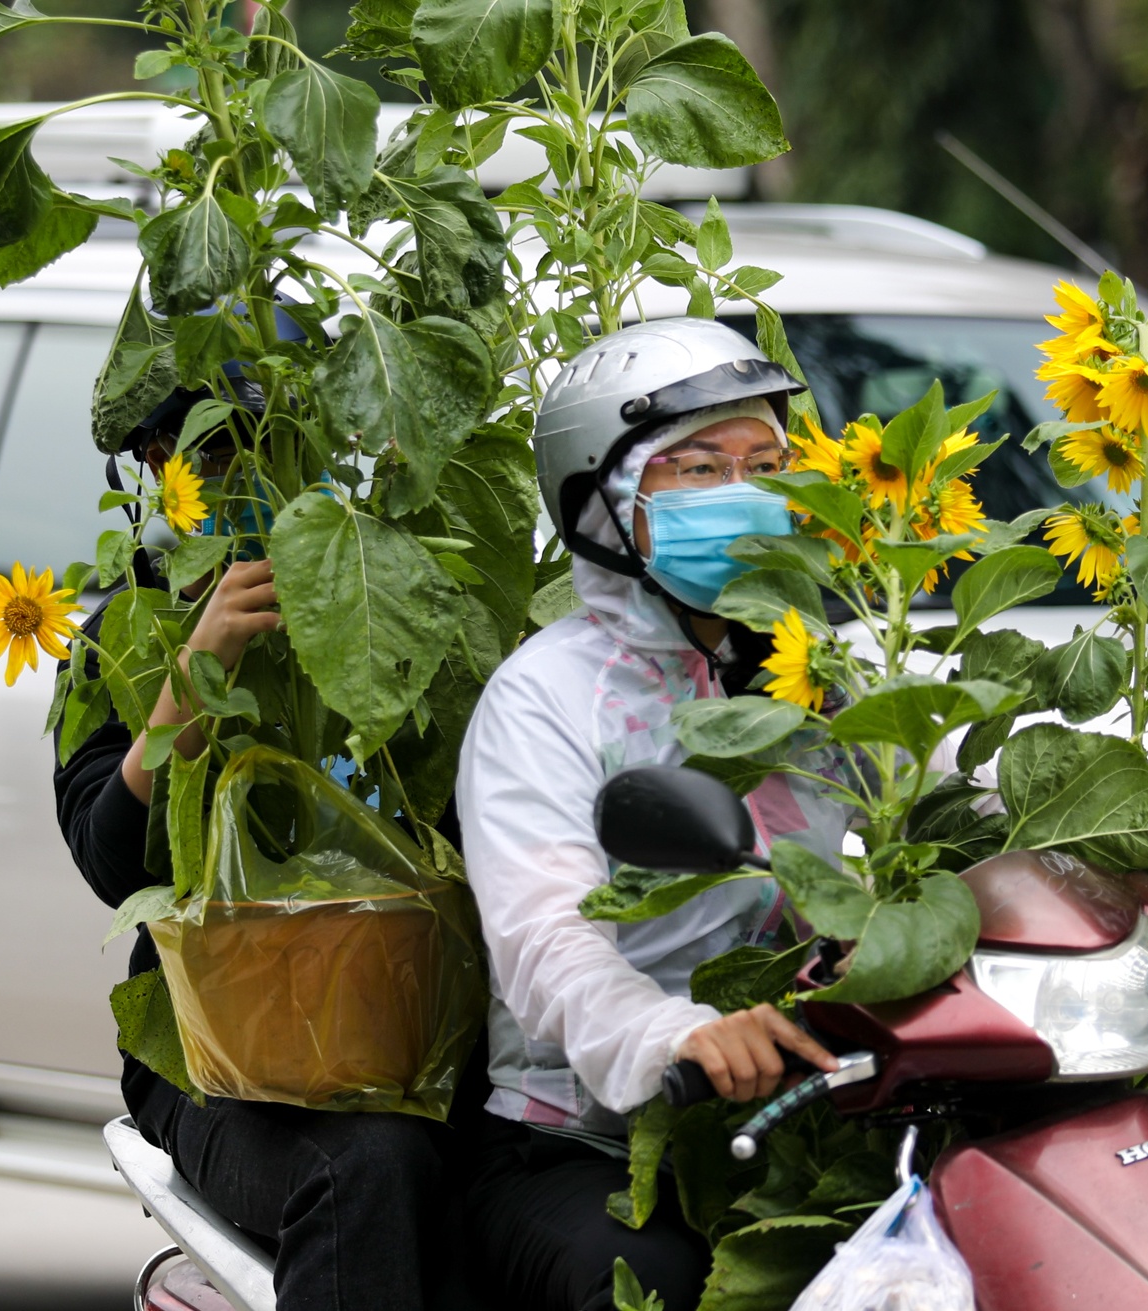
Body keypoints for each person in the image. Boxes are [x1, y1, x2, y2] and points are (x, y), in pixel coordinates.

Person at [456, 320, 851, 1311]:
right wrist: (670, 1035)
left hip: (811, 1102)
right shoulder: (543, 696)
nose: (744, 492)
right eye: (697, 469)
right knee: (655, 1285)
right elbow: (544, 940)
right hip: (582, 1137)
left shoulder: (823, 665)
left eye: (766, 463)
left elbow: (946, 800)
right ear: (601, 497)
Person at [54, 363, 464, 1311]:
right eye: (191, 454)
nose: (229, 473)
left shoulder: (383, 587)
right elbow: (115, 864)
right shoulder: (130, 623)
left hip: (415, 1031)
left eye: (257, 440)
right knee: (368, 1164)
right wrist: (193, 680)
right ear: (155, 470)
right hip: (225, 1061)